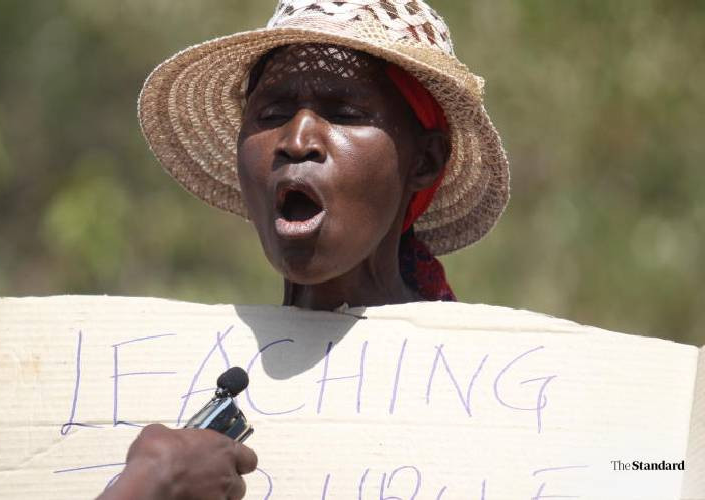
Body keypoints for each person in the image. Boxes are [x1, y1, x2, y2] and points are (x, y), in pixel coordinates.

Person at [100, 1, 509, 498]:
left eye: (344, 114)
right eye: (272, 114)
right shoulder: (157, 385)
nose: (296, 140)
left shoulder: (494, 400)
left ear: (424, 160)